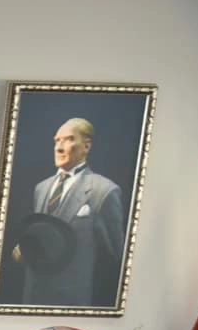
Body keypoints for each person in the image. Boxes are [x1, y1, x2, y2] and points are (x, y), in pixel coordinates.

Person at [11, 117, 127, 308]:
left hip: (72, 301)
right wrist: (25, 250)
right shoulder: (41, 188)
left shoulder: (103, 191)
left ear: (86, 146)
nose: (59, 147)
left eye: (69, 139)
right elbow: (42, 236)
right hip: (32, 297)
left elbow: (115, 255)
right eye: (57, 141)